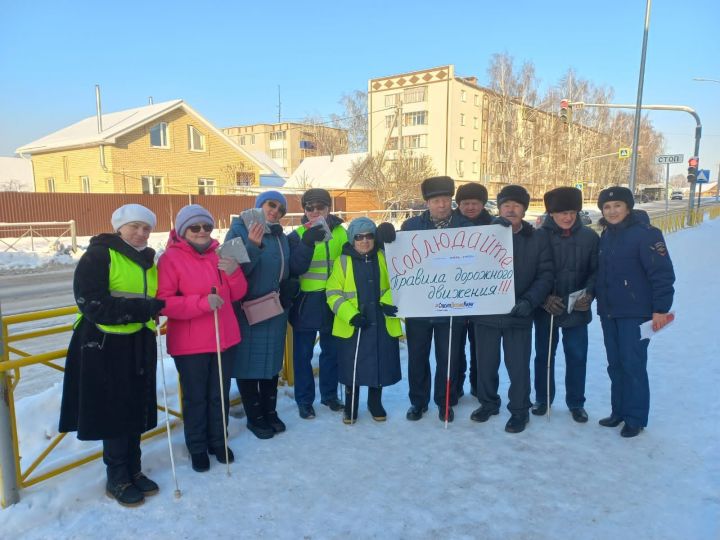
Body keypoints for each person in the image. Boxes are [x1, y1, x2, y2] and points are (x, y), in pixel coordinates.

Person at [59, 204, 165, 507]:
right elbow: (91, 304)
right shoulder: (99, 255)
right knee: (114, 409)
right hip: (104, 344)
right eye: (134, 226)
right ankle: (116, 476)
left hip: (137, 341)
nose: (141, 233)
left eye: (146, 228)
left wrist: (150, 312)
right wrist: (143, 310)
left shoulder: (147, 260)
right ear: (119, 227)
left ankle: (133, 468)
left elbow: (149, 297)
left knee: (136, 405)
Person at [157, 204, 247, 472]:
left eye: (206, 226)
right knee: (196, 397)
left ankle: (218, 441)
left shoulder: (221, 252)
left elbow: (239, 293)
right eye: (195, 227)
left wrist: (234, 272)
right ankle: (197, 446)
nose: (201, 232)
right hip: (190, 343)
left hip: (224, 338)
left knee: (218, 395)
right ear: (183, 230)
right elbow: (163, 303)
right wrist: (201, 303)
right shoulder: (169, 259)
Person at [470, 185, 553, 433]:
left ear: (524, 210)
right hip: (486, 313)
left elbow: (545, 274)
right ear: (500, 208)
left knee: (518, 367)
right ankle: (488, 403)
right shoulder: (483, 234)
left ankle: (519, 410)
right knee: (486, 364)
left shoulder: (537, 238)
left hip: (519, 312)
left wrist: (529, 301)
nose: (511, 209)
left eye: (517, 205)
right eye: (506, 205)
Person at [595, 187, 675, 438]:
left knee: (633, 365)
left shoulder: (646, 235)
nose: (612, 211)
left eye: (617, 205)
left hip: (635, 312)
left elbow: (662, 274)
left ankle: (635, 417)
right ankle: (618, 411)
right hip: (609, 312)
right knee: (615, 365)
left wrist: (661, 309)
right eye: (607, 207)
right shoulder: (606, 236)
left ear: (628, 207)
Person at [400, 176, 470, 422]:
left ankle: (445, 401)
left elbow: (486, 245)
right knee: (417, 357)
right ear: (427, 202)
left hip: (451, 306)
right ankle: (418, 402)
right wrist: (383, 236)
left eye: (446, 200)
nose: (442, 205)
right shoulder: (410, 227)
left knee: (447, 358)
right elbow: (395, 256)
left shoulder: (465, 225)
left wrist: (501, 227)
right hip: (419, 306)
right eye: (436, 200)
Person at [225, 191, 291, 439]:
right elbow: (230, 270)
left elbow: (285, 268)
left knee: (272, 363)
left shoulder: (279, 236)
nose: (275, 211)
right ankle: (255, 416)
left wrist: (288, 286)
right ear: (259, 205)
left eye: (280, 209)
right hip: (248, 310)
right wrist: (252, 246)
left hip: (274, 309)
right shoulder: (238, 229)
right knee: (248, 363)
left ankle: (269, 411)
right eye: (271, 205)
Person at [531, 187, 599, 423]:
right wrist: (543, 299)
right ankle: (542, 398)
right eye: (561, 213)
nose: (567, 217)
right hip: (546, 309)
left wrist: (589, 295)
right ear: (551, 213)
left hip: (577, 309)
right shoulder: (538, 236)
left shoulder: (590, 237)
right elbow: (531, 273)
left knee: (577, 356)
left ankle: (576, 403)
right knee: (543, 356)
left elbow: (595, 272)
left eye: (572, 212)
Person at [325, 217, 402, 423]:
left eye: (369, 236)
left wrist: (388, 301)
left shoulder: (385, 257)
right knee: (353, 366)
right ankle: (351, 405)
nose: (365, 240)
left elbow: (400, 281)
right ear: (352, 239)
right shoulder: (343, 261)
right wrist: (351, 315)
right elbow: (332, 293)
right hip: (354, 325)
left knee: (380, 363)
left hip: (381, 321)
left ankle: (374, 402)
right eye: (359, 237)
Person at [288, 188, 347, 419]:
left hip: (334, 300)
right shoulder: (297, 235)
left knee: (332, 351)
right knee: (302, 356)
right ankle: (304, 400)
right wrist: (307, 244)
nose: (314, 212)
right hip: (306, 302)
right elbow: (294, 268)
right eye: (309, 208)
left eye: (320, 207)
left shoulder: (342, 233)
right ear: (304, 210)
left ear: (328, 208)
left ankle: (330, 395)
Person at [453, 182, 493, 400]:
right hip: (454, 295)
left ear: (483, 204)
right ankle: (456, 386)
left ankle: (479, 386)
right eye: (465, 203)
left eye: (474, 203)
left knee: (481, 347)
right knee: (455, 346)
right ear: (458, 204)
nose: (470, 207)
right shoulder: (449, 224)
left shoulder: (495, 225)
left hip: (483, 297)